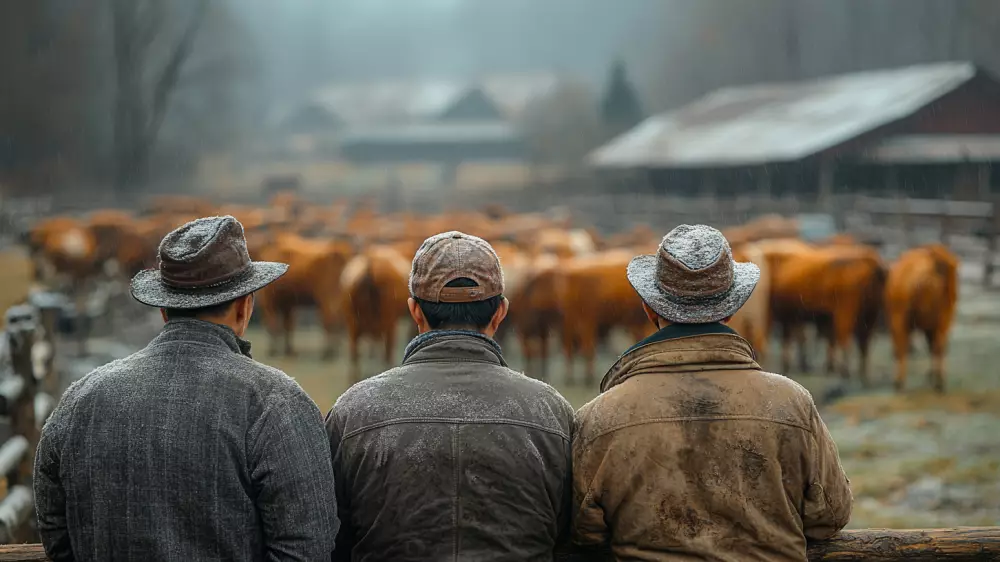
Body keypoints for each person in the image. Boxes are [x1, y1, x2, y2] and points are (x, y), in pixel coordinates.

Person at [34, 215, 339, 562]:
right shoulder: (276, 402)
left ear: (164, 309)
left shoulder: (79, 399)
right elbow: (308, 546)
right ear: (245, 306)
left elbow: (55, 530)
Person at [570, 224, 853, 561]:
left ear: (650, 309)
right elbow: (830, 515)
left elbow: (583, 530)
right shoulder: (792, 402)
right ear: (731, 310)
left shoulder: (600, 417)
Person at [327, 231, 574, 561]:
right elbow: (570, 535)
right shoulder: (551, 412)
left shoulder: (352, 412)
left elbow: (332, 536)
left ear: (415, 312)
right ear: (500, 313)